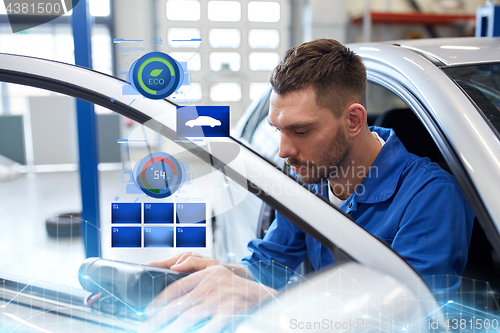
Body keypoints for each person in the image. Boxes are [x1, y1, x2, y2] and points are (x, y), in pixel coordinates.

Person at [141, 39, 474, 332]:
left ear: (354, 120)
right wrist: (224, 274)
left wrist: (277, 304)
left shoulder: (430, 196)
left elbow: (414, 316)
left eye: (300, 131)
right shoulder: (306, 179)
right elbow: (269, 265)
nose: (284, 152)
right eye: (277, 130)